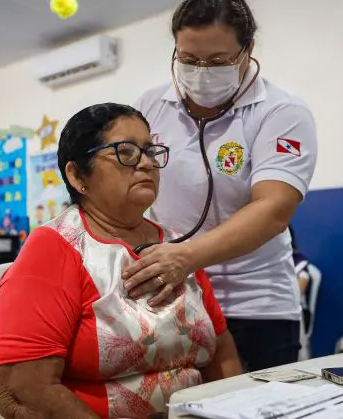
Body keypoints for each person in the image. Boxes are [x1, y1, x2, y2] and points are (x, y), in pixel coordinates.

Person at [0, 103, 242, 419]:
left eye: (150, 151)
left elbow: (222, 352)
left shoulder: (178, 246)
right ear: (77, 174)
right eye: (125, 152)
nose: (146, 163)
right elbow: (25, 390)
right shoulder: (56, 247)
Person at [124, 0, 318, 371]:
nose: (201, 72)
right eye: (188, 59)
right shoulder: (150, 105)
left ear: (248, 51)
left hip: (256, 305)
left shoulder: (281, 112)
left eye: (217, 61)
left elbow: (273, 210)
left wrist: (186, 257)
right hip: (175, 297)